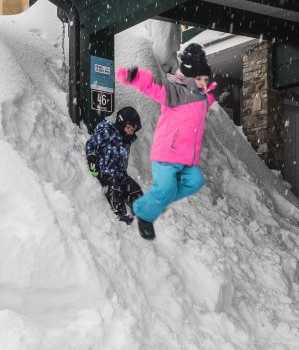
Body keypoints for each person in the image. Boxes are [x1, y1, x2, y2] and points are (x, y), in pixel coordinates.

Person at [116, 43, 216, 240]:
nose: (204, 83)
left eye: (207, 79)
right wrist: (135, 78)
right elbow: (154, 86)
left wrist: (210, 92)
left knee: (195, 181)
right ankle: (143, 212)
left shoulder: (202, 98)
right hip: (167, 154)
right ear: (189, 77)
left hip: (188, 158)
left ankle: (159, 200)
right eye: (200, 79)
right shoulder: (176, 92)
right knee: (166, 189)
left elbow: (206, 100)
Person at [85, 106, 144, 225]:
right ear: (121, 123)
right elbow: (91, 144)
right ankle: (121, 215)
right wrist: (91, 158)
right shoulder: (107, 132)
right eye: (128, 128)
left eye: (132, 130)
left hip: (120, 173)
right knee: (114, 188)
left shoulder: (127, 140)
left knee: (134, 188)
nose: (130, 132)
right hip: (105, 170)